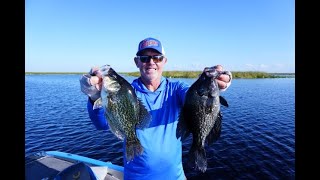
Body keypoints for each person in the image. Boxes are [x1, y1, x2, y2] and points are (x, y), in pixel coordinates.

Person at [79, 37, 232, 180]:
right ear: (137, 62)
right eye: (144, 58)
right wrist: (93, 96)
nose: (151, 62)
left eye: (157, 57)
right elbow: (101, 124)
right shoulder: (127, 92)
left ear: (164, 61)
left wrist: (216, 84)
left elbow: (194, 98)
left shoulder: (176, 88)